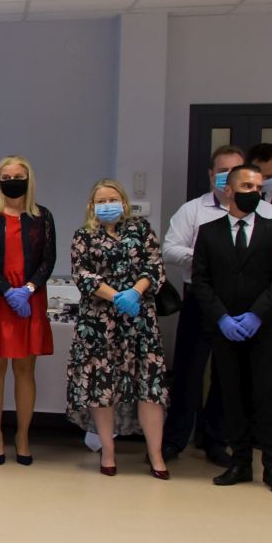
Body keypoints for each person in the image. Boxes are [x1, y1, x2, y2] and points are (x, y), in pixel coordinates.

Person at [161, 144, 272, 465]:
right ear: (212, 174)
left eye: (235, 171)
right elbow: (169, 249)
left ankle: (215, 440)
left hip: (241, 305)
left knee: (228, 376)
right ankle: (173, 441)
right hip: (200, 300)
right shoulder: (193, 210)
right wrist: (205, 256)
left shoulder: (266, 212)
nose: (228, 177)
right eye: (222, 171)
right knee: (188, 373)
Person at [191, 164, 272, 496]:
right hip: (224, 329)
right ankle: (240, 461)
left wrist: (256, 315)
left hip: (262, 329)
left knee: (266, 395)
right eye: (247, 187)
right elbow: (201, 281)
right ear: (229, 190)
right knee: (232, 394)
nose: (254, 192)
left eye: (258, 188)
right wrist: (222, 318)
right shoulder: (209, 232)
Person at [67, 180, 169, 478]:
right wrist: (116, 297)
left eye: (112, 199)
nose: (107, 204)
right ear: (92, 206)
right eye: (101, 201)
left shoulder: (141, 229)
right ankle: (108, 452)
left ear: (123, 202)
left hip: (140, 319)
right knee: (103, 387)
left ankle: (156, 455)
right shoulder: (84, 235)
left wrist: (134, 293)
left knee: (149, 387)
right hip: (100, 322)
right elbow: (82, 274)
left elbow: (155, 266)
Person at [0, 156, 56, 465]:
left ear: (28, 180)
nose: (12, 181)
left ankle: (22, 436)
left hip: (30, 298)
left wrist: (28, 289)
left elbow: (48, 259)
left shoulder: (42, 216)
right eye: (6, 177)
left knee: (24, 371)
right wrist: (7, 290)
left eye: (18, 176)